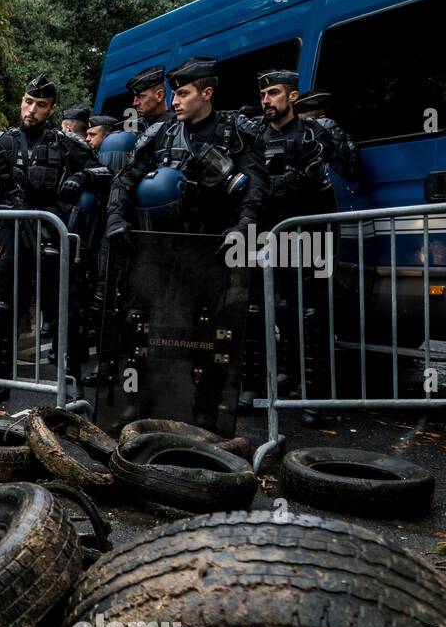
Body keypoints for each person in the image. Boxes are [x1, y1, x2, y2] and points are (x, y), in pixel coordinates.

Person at [0, 73, 99, 402]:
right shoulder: (0, 142)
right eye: (28, 102)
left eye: (41, 105)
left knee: (63, 307)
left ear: (51, 109)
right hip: (10, 235)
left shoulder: (64, 142)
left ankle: (70, 382)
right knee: (3, 306)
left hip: (51, 231)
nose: (32, 110)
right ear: (21, 102)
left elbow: (102, 173)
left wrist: (79, 179)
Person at [241, 70, 361, 423]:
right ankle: (250, 388)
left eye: (274, 93)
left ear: (292, 97)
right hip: (264, 235)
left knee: (310, 313)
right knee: (255, 310)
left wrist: (313, 171)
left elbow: (346, 169)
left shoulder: (315, 132)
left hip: (308, 235)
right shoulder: (254, 136)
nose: (267, 100)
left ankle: (314, 397)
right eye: (263, 95)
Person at [105, 56, 266, 246]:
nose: (174, 102)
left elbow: (255, 183)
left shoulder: (236, 132)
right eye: (173, 94)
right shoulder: (161, 132)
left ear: (207, 93)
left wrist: (245, 226)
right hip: (166, 241)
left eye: (182, 94)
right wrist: (115, 218)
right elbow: (126, 176)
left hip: (218, 238)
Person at [127, 65, 174, 132]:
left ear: (159, 95)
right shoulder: (135, 128)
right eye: (134, 97)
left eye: (141, 96)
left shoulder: (176, 126)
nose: (135, 103)